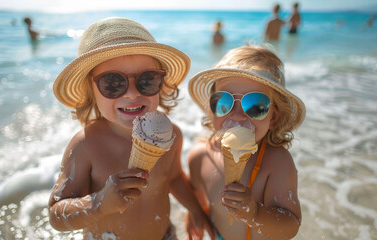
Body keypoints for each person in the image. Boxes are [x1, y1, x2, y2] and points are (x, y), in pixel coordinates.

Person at [48, 17, 214, 239]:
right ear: (90, 90)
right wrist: (99, 203)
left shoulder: (171, 135)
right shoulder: (85, 144)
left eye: (147, 80)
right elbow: (56, 215)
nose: (132, 93)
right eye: (113, 83)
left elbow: (173, 177)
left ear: (161, 84)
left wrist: (196, 209)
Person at [185, 45, 305, 240]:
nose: (238, 115)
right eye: (224, 101)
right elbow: (199, 199)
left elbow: (290, 225)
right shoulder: (199, 157)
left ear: (273, 118)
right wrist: (195, 215)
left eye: (256, 105)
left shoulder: (276, 162)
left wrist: (255, 213)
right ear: (212, 108)